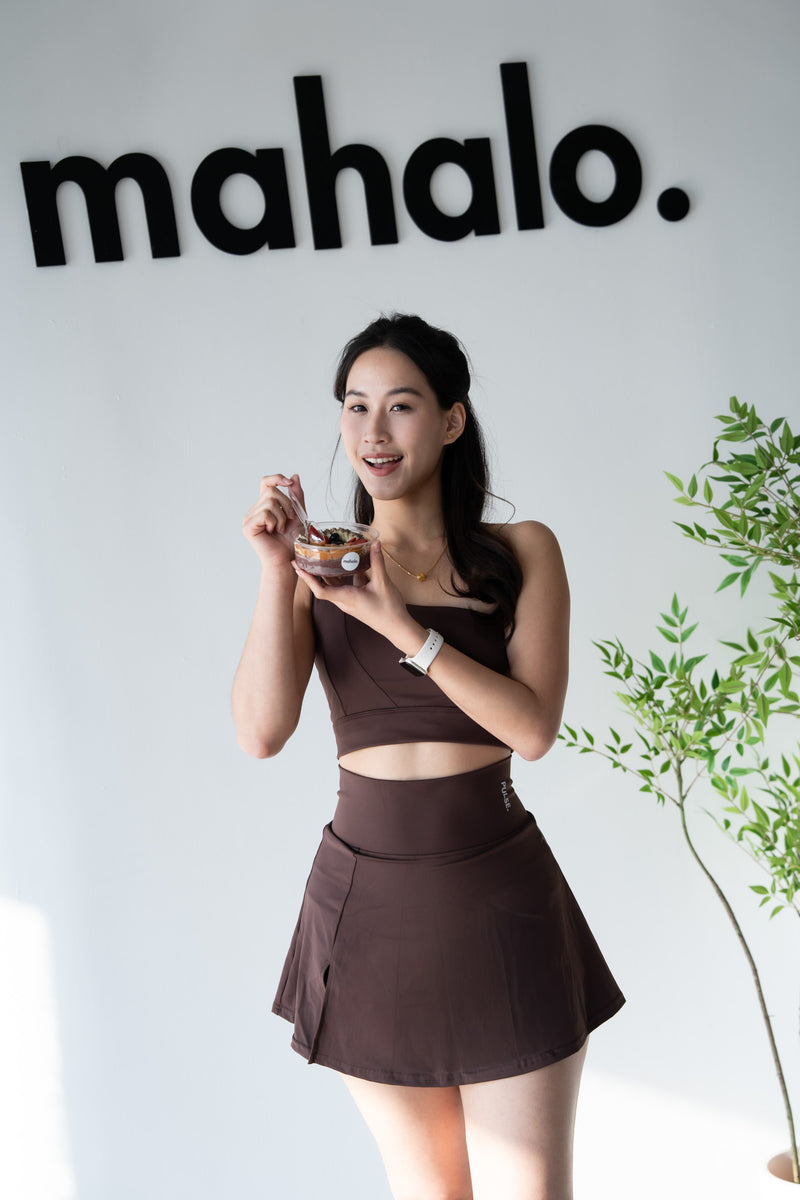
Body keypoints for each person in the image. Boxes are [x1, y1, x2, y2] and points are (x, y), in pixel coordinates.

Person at [232, 313, 624, 1200]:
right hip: (366, 908)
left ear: (450, 421)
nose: (373, 432)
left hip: (498, 900)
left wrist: (400, 625)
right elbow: (260, 732)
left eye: (401, 406)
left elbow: (531, 729)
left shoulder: (521, 551)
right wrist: (271, 570)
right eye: (355, 406)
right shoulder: (316, 566)